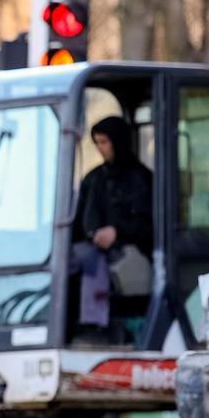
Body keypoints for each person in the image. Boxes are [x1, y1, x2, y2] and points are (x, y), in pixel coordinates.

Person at [72, 116, 153, 340]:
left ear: (118, 141)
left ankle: (94, 325)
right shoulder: (93, 178)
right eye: (97, 142)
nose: (100, 148)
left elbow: (147, 225)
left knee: (90, 258)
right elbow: (79, 221)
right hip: (90, 246)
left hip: (126, 249)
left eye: (105, 142)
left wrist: (117, 232)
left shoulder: (139, 179)